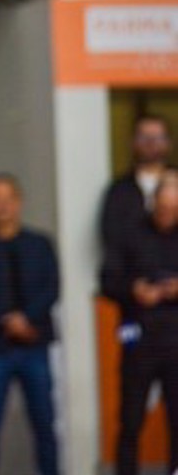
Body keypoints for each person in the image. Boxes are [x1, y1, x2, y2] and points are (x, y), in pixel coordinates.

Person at [0, 173, 60, 475]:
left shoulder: (40, 244)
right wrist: (3, 322)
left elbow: (52, 287)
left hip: (35, 343)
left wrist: (27, 319)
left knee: (45, 423)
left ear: (18, 202)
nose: (2, 206)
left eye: (8, 198)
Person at [101, 173, 178, 475]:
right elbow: (108, 280)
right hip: (138, 338)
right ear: (153, 202)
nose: (167, 215)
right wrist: (134, 289)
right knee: (130, 420)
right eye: (163, 209)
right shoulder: (129, 233)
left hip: (177, 341)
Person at [100, 114, 173, 250]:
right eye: (144, 137)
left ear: (169, 142)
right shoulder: (119, 190)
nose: (151, 143)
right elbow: (111, 237)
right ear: (133, 142)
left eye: (158, 137)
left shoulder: (175, 181)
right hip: (133, 269)